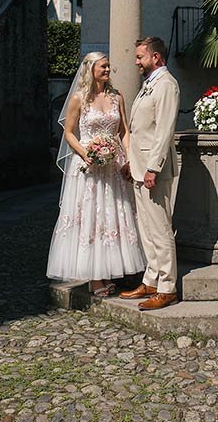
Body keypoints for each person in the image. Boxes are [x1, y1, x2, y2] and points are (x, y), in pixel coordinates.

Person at [47, 52, 145, 296]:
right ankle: (94, 277)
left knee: (113, 215)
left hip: (113, 166)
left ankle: (112, 270)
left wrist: (129, 159)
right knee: (91, 217)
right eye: (103, 66)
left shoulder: (117, 96)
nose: (108, 69)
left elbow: (124, 131)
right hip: (88, 167)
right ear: (91, 69)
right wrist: (85, 152)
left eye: (109, 65)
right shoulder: (79, 99)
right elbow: (69, 132)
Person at [120, 37, 180, 310]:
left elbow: (164, 130)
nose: (136, 61)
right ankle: (152, 279)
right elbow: (140, 127)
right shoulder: (150, 83)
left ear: (156, 57)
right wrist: (132, 163)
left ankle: (167, 287)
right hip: (140, 167)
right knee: (146, 229)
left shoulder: (167, 85)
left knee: (160, 228)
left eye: (140, 57)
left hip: (153, 169)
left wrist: (153, 168)